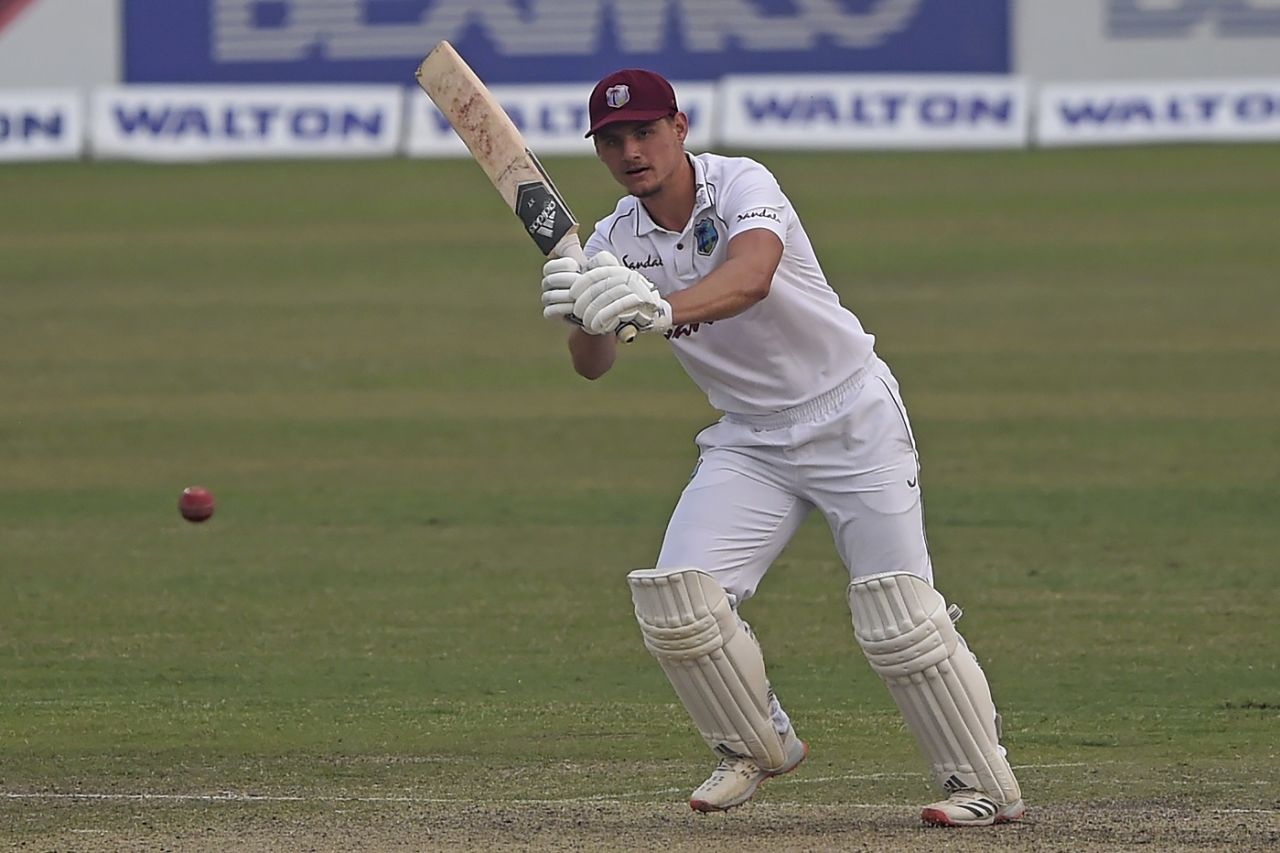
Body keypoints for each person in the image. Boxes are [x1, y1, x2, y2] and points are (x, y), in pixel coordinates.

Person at [539, 69, 1025, 828]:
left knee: (898, 612)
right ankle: (754, 745)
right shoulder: (612, 241)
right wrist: (583, 309)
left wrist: (659, 307)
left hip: (851, 415)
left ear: (681, 126)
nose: (632, 150)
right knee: (679, 603)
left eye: (645, 131)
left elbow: (753, 276)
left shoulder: (740, 184)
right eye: (613, 140)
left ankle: (983, 786)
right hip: (750, 438)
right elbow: (590, 365)